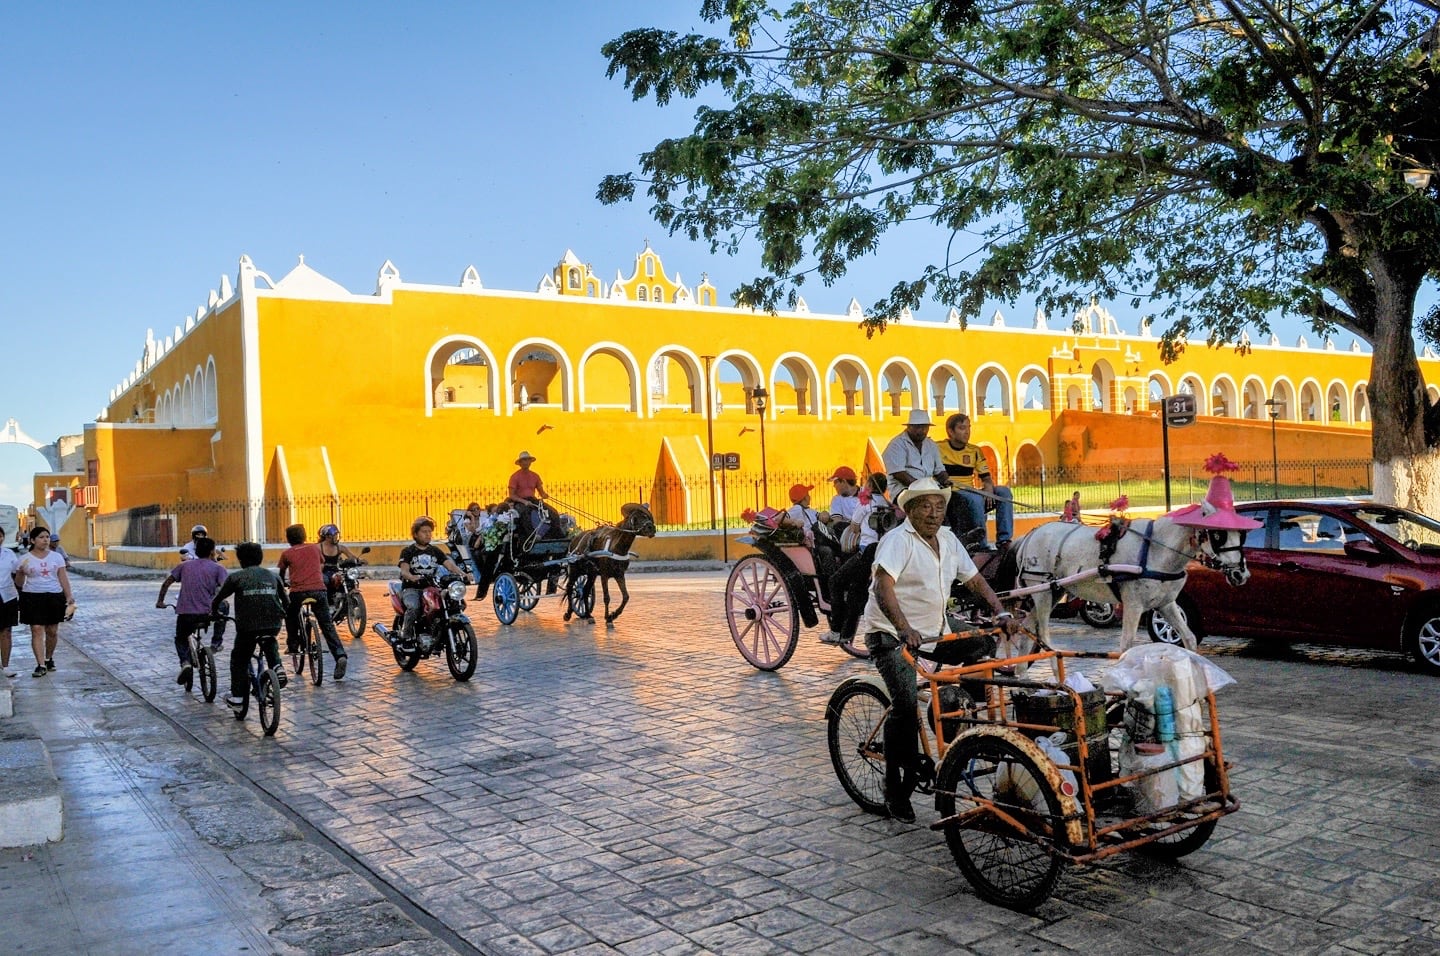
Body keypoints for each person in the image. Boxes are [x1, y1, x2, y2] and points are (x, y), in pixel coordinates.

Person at [856, 477, 1018, 822]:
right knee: (904, 705)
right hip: (892, 634)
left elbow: (974, 580)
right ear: (910, 509)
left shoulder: (947, 538)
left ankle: (958, 717)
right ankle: (896, 789)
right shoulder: (897, 541)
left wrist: (999, 611)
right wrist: (903, 628)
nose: (933, 513)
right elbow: (883, 587)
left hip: (936, 629)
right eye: (925, 506)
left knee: (982, 644)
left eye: (939, 506)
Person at [212, 542, 288, 707]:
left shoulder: (236, 577)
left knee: (239, 658)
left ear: (240, 560)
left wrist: (214, 612)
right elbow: (286, 602)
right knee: (269, 642)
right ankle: (277, 667)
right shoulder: (274, 576)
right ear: (261, 558)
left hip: (248, 627)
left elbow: (218, 599)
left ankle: (238, 698)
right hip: (273, 623)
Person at [824, 473, 892, 646]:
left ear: (869, 485)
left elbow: (854, 528)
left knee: (835, 581)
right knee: (856, 590)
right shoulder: (886, 503)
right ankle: (846, 634)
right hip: (883, 551)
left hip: (867, 551)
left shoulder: (866, 503)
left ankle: (836, 629)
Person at [276, 524, 348, 679]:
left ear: (289, 539)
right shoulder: (315, 548)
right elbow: (321, 564)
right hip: (319, 590)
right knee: (327, 625)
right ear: (304, 536)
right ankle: (340, 655)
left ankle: (293, 644)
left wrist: (283, 586)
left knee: (291, 615)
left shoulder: (287, 553)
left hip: (298, 592)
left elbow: (281, 574)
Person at [156, 536, 229, 686]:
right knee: (225, 606)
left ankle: (185, 663)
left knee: (181, 638)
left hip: (186, 614)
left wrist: (160, 601)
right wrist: (216, 603)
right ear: (212, 552)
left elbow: (166, 583)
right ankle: (216, 643)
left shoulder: (184, 566)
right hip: (207, 613)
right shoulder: (218, 568)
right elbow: (225, 589)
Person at [938, 413, 1015, 551]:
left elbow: (986, 478)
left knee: (1004, 492)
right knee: (975, 499)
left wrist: (989, 489)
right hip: (952, 496)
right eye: (962, 428)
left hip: (970, 494)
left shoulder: (974, 451)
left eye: (968, 427)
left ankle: (1004, 541)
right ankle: (982, 544)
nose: (967, 432)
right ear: (950, 431)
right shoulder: (938, 448)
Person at [397, 516, 472, 646]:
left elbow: (450, 565)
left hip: (431, 587)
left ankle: (438, 630)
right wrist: (412, 577)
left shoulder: (435, 550)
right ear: (415, 534)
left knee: (454, 603)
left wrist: (463, 574)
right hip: (412, 588)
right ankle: (406, 637)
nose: (428, 534)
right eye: (424, 532)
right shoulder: (408, 551)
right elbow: (404, 570)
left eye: (429, 531)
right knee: (414, 607)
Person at [16, 527, 74, 678]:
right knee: (36, 629)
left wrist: (69, 597)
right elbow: (19, 583)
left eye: (47, 537)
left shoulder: (56, 557)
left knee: (52, 631)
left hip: (54, 596)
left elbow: (63, 578)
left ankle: (49, 658)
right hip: (32, 596)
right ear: (33, 540)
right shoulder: (24, 559)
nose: (45, 540)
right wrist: (21, 573)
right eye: (41, 537)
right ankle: (40, 664)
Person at [881, 409, 948, 496]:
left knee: (956, 500)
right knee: (925, 503)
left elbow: (939, 470)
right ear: (909, 427)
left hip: (930, 489)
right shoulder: (897, 444)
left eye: (925, 427)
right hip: (904, 491)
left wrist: (944, 478)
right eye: (918, 427)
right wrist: (922, 488)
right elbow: (899, 474)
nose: (922, 431)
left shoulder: (931, 445)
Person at [508, 450, 560, 541]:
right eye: (524, 460)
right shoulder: (514, 476)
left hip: (533, 500)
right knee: (525, 513)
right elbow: (511, 495)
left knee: (553, 512)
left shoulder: (535, 476)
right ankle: (532, 536)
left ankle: (556, 534)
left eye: (527, 460)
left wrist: (544, 495)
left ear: (530, 462)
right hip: (520, 501)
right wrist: (524, 501)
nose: (526, 462)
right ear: (520, 463)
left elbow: (541, 492)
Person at [317, 523, 365, 607]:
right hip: (322, 572)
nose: (336, 537)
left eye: (337, 535)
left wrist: (359, 560)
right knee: (325, 581)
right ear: (327, 536)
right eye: (334, 535)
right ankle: (328, 604)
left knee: (348, 579)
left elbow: (352, 556)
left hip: (335, 571)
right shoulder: (318, 547)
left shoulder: (340, 547)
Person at [0, 527, 20, 678]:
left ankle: (5, 666)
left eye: (0, 536)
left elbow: (17, 574)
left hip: (7, 596)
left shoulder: (9, 554)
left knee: (6, 632)